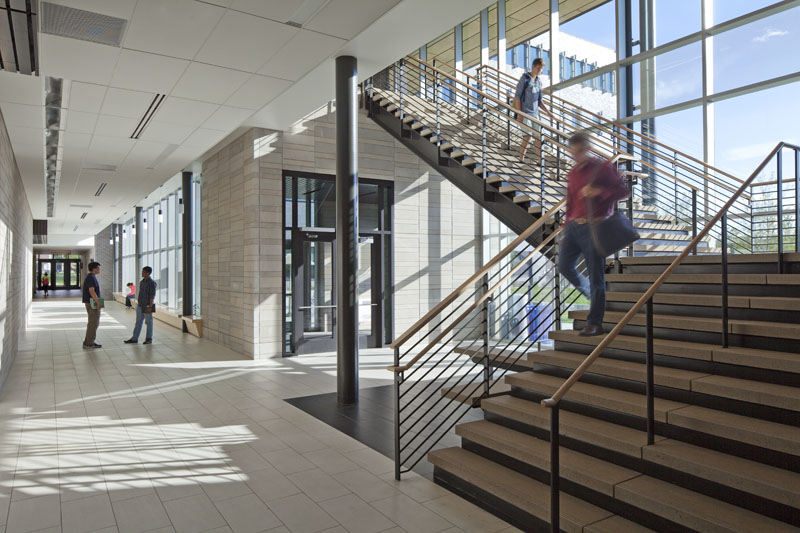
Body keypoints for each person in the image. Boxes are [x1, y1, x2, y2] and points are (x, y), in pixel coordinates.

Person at [558, 132, 630, 337]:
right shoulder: (572, 174)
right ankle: (593, 296)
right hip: (574, 227)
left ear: (587, 149)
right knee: (564, 266)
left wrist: (599, 191)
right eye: (572, 153)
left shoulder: (603, 168)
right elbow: (570, 203)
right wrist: (566, 228)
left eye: (579, 151)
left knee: (596, 277)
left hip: (595, 227)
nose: (575, 156)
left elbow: (623, 191)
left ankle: (595, 322)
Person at [514, 58, 553, 163]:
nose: (541, 71)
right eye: (540, 68)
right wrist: (519, 113)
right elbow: (517, 97)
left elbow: (539, 100)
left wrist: (548, 113)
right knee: (527, 136)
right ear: (534, 67)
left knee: (538, 137)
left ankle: (540, 160)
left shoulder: (539, 81)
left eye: (542, 69)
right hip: (525, 112)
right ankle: (521, 158)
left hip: (535, 113)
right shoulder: (525, 78)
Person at [124, 266, 156, 345]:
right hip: (140, 305)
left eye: (143, 272)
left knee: (149, 322)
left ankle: (149, 338)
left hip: (147, 305)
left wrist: (150, 306)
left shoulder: (152, 283)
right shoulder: (142, 282)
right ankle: (134, 338)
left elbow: (152, 296)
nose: (142, 273)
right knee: (138, 322)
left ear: (148, 273)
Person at [82, 262, 103, 348]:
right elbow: (92, 291)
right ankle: (89, 343)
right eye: (98, 268)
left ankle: (88, 341)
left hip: (91, 301)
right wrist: (98, 302)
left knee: (93, 322)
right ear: (94, 269)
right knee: (93, 323)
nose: (99, 269)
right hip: (92, 303)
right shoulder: (91, 278)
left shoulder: (91, 277)